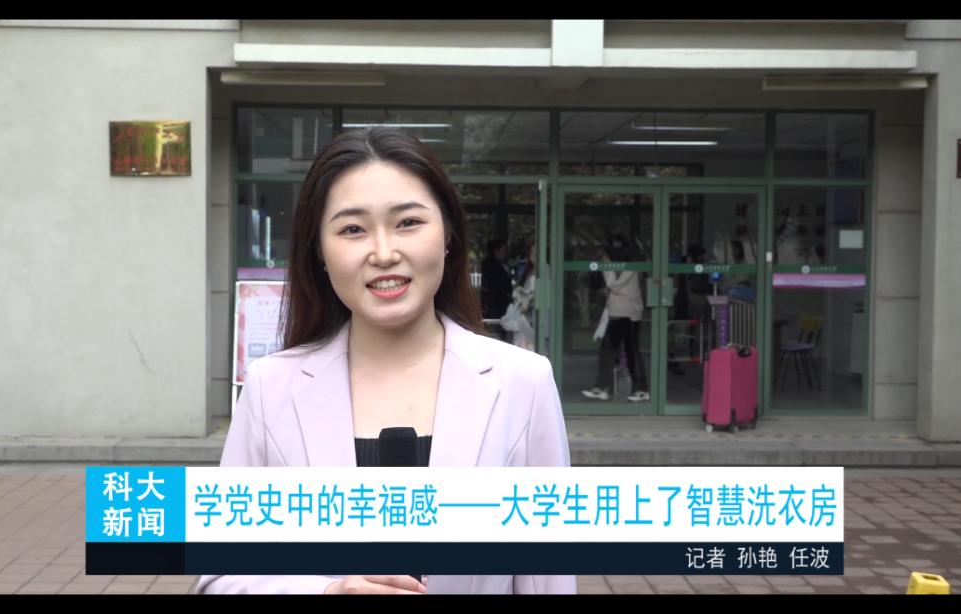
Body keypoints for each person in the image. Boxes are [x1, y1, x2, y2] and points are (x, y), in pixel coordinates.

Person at [195, 127, 574, 595]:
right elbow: (221, 576)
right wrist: (327, 593)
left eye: (408, 222)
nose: (384, 253)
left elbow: (548, 578)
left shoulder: (525, 383)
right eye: (352, 229)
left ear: (448, 234)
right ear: (319, 251)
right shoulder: (270, 387)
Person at [581, 244, 650, 403]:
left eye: (606, 257)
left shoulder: (629, 270)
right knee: (610, 350)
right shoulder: (623, 270)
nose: (603, 260)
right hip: (618, 315)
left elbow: (613, 285)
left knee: (628, 351)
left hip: (628, 316)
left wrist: (607, 268)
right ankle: (604, 387)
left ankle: (639, 388)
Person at [480, 238, 513, 338]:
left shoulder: (496, 265)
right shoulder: (492, 267)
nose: (505, 253)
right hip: (495, 306)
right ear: (496, 251)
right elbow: (500, 286)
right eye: (503, 250)